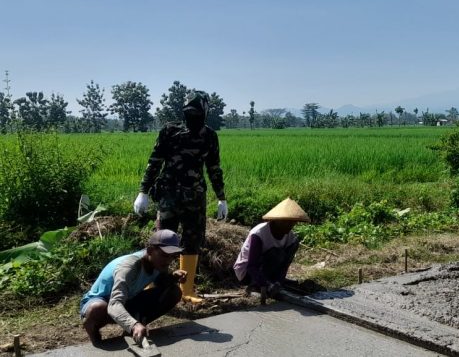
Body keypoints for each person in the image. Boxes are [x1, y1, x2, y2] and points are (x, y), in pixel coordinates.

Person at [133, 90, 227, 303]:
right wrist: (143, 191)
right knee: (162, 241)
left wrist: (222, 197)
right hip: (169, 196)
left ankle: (187, 291)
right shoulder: (170, 131)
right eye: (189, 112)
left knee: (193, 241)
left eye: (197, 112)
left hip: (195, 198)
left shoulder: (209, 136)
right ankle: (152, 286)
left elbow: (214, 168)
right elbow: (154, 162)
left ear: (205, 112)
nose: (192, 116)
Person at [80, 230, 186, 345]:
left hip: (127, 299)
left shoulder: (158, 263)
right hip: (103, 303)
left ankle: (135, 326)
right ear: (150, 251)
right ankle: (95, 336)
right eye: (165, 255)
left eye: (173, 256)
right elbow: (114, 304)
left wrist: (173, 278)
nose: (169, 261)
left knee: (173, 292)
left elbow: (160, 283)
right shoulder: (129, 266)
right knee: (97, 308)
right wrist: (133, 325)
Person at [234, 198, 310, 300]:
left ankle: (274, 282)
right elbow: (252, 266)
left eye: (292, 223)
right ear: (276, 221)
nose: (290, 226)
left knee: (283, 252)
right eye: (286, 222)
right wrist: (266, 284)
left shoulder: (291, 239)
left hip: (268, 270)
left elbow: (284, 266)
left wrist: (279, 281)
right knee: (275, 253)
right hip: (248, 274)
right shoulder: (259, 234)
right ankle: (256, 285)